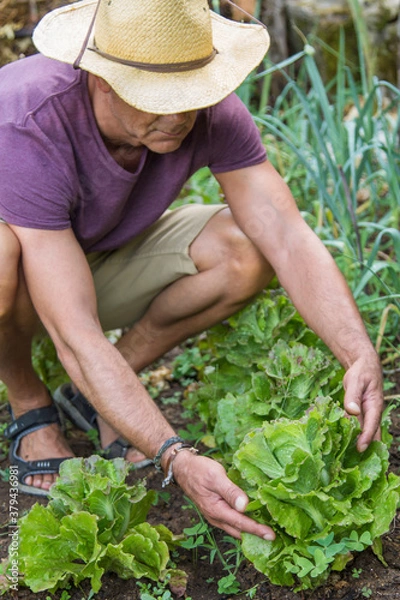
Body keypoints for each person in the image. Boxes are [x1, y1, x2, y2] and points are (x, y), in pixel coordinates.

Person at [0, 0, 383, 541]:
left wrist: (357, 350)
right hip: (22, 269)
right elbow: (75, 330)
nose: (180, 116)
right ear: (101, 79)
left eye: (191, 94)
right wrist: (173, 454)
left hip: (96, 252)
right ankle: (30, 404)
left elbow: (287, 236)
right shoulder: (26, 120)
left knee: (245, 250)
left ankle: (99, 396)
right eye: (159, 100)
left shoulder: (209, 112)